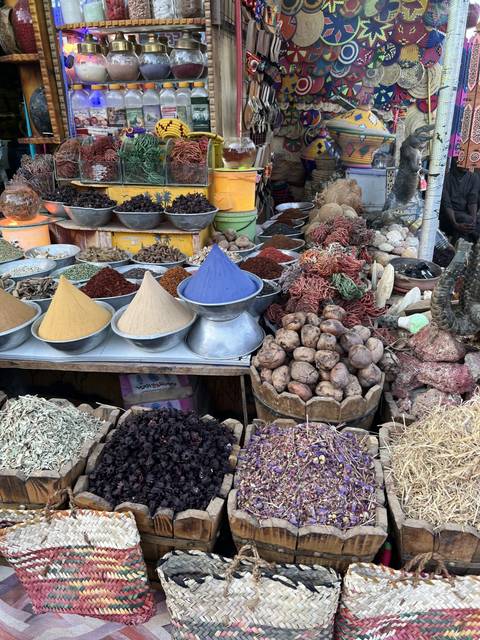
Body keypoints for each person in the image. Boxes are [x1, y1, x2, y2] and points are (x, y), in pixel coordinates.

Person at [440, 158, 480, 242]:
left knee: (471, 223)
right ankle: (457, 248)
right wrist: (455, 224)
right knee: (466, 221)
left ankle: (464, 247)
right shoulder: (446, 178)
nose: (466, 164)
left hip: (465, 216)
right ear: (455, 161)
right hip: (448, 216)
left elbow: (472, 201)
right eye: (462, 160)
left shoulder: (474, 178)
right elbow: (446, 204)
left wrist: (474, 220)